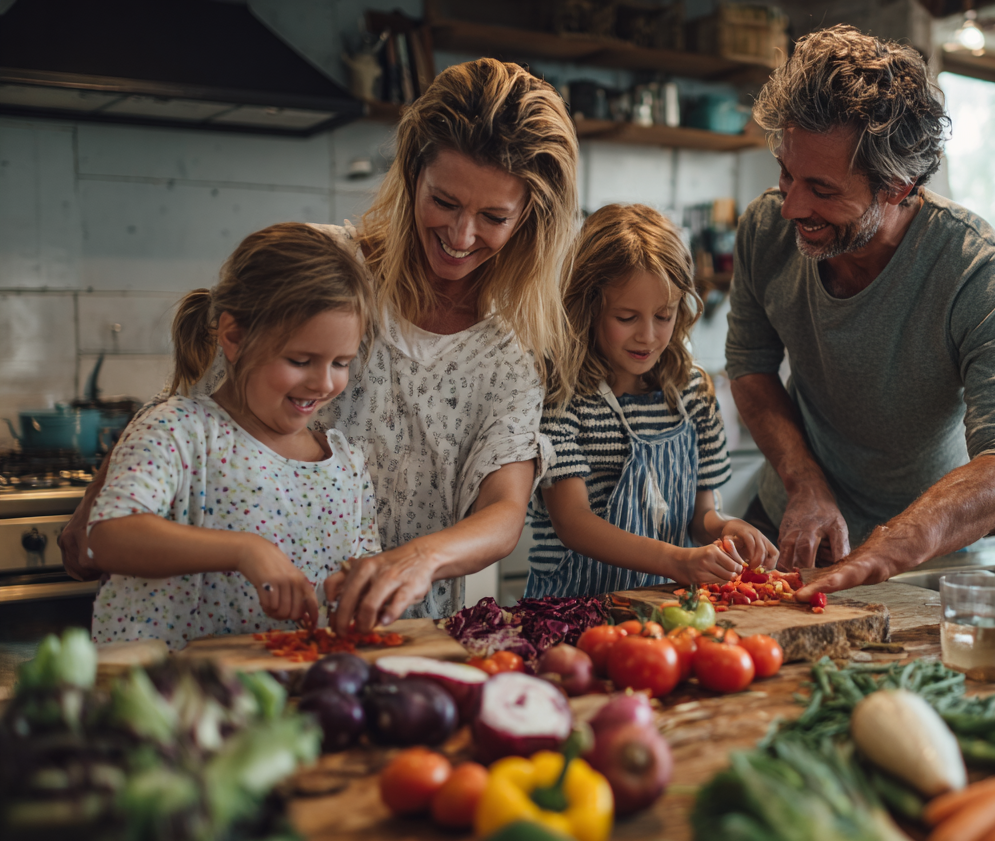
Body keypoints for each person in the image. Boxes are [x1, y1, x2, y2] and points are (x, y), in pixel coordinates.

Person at [61, 58, 580, 631]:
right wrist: (97, 512)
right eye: (445, 201)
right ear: (412, 175)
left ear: (530, 217)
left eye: (493, 217)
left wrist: (416, 559)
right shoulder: (328, 266)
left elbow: (504, 512)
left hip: (395, 634)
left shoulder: (511, 352)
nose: (460, 237)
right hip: (208, 625)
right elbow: (192, 404)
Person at [724, 26, 995, 603]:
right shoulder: (764, 229)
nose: (792, 205)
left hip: (920, 552)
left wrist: (888, 546)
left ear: (896, 187)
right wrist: (805, 481)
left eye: (820, 188)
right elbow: (749, 366)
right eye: (786, 173)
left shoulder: (977, 269)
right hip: (786, 521)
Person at [88, 224, 382, 648]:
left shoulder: (347, 464)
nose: (323, 383)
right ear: (234, 337)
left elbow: (362, 564)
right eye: (301, 360)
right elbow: (109, 536)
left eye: (341, 362)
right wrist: (245, 550)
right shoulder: (178, 429)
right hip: (168, 696)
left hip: (282, 698)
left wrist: (355, 584)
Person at [525, 204, 777, 597]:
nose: (648, 336)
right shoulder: (561, 395)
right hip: (572, 607)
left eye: (664, 315)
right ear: (587, 307)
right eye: (626, 317)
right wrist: (678, 561)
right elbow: (572, 521)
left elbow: (700, 516)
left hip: (665, 609)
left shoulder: (692, 392)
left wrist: (725, 527)